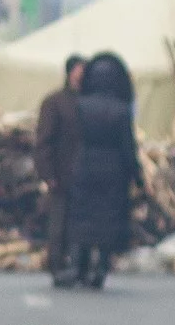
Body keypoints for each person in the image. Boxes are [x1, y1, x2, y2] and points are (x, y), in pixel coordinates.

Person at [61, 52, 138, 288]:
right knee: (108, 219)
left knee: (82, 216)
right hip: (113, 169)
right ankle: (101, 268)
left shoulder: (81, 105)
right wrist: (135, 174)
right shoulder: (122, 110)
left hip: (86, 164)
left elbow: (72, 139)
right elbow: (128, 146)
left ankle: (78, 266)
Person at [34, 57, 86, 286]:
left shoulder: (90, 102)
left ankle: (79, 266)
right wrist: (47, 173)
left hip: (85, 174)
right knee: (59, 223)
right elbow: (44, 140)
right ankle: (57, 265)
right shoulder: (55, 102)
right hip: (62, 172)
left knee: (82, 223)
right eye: (78, 70)